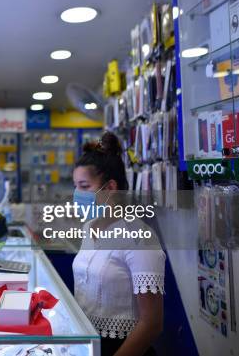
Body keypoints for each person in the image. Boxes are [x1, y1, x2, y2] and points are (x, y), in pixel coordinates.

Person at [72, 132, 164, 356]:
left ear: (110, 187)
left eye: (84, 186)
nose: (76, 194)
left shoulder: (139, 237)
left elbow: (151, 323)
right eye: (75, 186)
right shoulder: (88, 228)